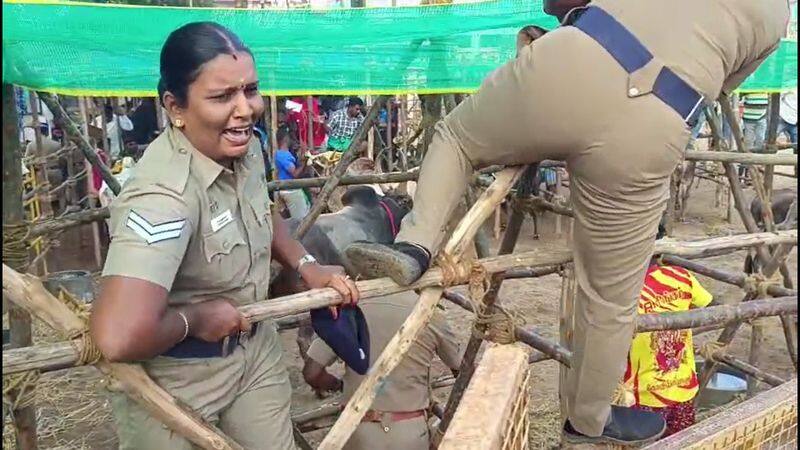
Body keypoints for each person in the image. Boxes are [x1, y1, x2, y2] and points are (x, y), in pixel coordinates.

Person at [345, 0, 788, 445]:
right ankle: (588, 422)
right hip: (659, 118)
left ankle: (414, 245)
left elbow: (557, 3)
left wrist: (572, 26)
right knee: (610, 296)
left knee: (457, 139)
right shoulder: (777, 14)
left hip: (580, 54)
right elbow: (721, 87)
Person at [89, 22, 359, 450]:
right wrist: (195, 319)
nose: (245, 109)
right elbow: (117, 335)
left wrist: (305, 264)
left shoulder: (244, 148)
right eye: (221, 97)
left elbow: (260, 215)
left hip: (254, 354)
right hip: (176, 381)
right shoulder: (163, 197)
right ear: (175, 107)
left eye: (249, 90)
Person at [302, 291, 462, 450]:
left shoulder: (349, 310)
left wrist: (340, 386)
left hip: (355, 429)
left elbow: (312, 374)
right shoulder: (432, 314)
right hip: (408, 433)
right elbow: (463, 372)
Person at [615, 221, 713, 438]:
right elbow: (712, 307)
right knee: (681, 443)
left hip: (642, 394)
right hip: (683, 387)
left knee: (646, 443)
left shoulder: (623, 289)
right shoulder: (681, 277)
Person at [274, 128, 311, 218]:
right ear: (286, 139)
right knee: (301, 219)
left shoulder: (283, 154)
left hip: (286, 189)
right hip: (290, 190)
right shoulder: (282, 155)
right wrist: (304, 162)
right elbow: (294, 174)